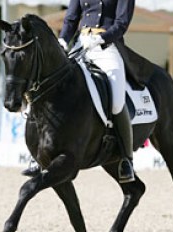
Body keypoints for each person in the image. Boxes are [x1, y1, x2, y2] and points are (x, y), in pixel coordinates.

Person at [23, 0, 136, 183]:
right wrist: (63, 40)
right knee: (50, 85)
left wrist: (103, 38)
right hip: (81, 43)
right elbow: (71, 18)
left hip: (107, 47)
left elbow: (122, 22)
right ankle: (37, 154)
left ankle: (126, 159)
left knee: (116, 103)